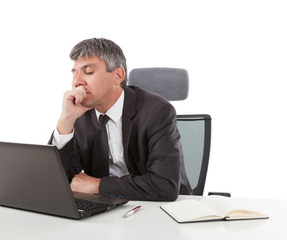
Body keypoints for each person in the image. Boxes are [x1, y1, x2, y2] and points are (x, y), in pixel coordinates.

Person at [51, 38, 192, 201]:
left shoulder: (157, 111)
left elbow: (164, 186)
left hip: (161, 208)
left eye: (88, 72)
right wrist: (66, 121)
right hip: (107, 207)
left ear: (118, 76)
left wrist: (97, 185)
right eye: (74, 72)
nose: (76, 82)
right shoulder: (80, 113)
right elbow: (56, 181)